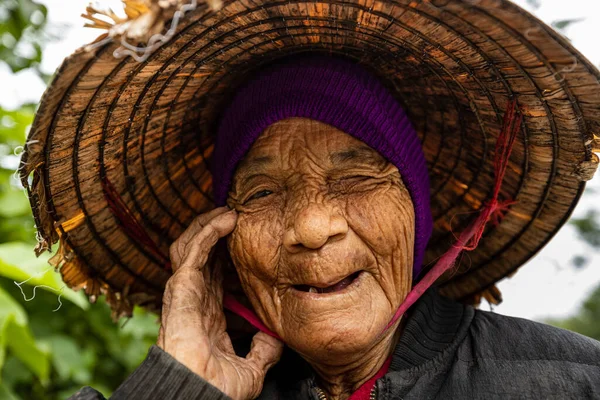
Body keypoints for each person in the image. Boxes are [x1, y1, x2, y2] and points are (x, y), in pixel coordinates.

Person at [19, 1, 600, 399]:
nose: (312, 226)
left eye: (354, 179)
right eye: (264, 191)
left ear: (418, 215)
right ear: (223, 243)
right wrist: (181, 386)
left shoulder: (573, 381)